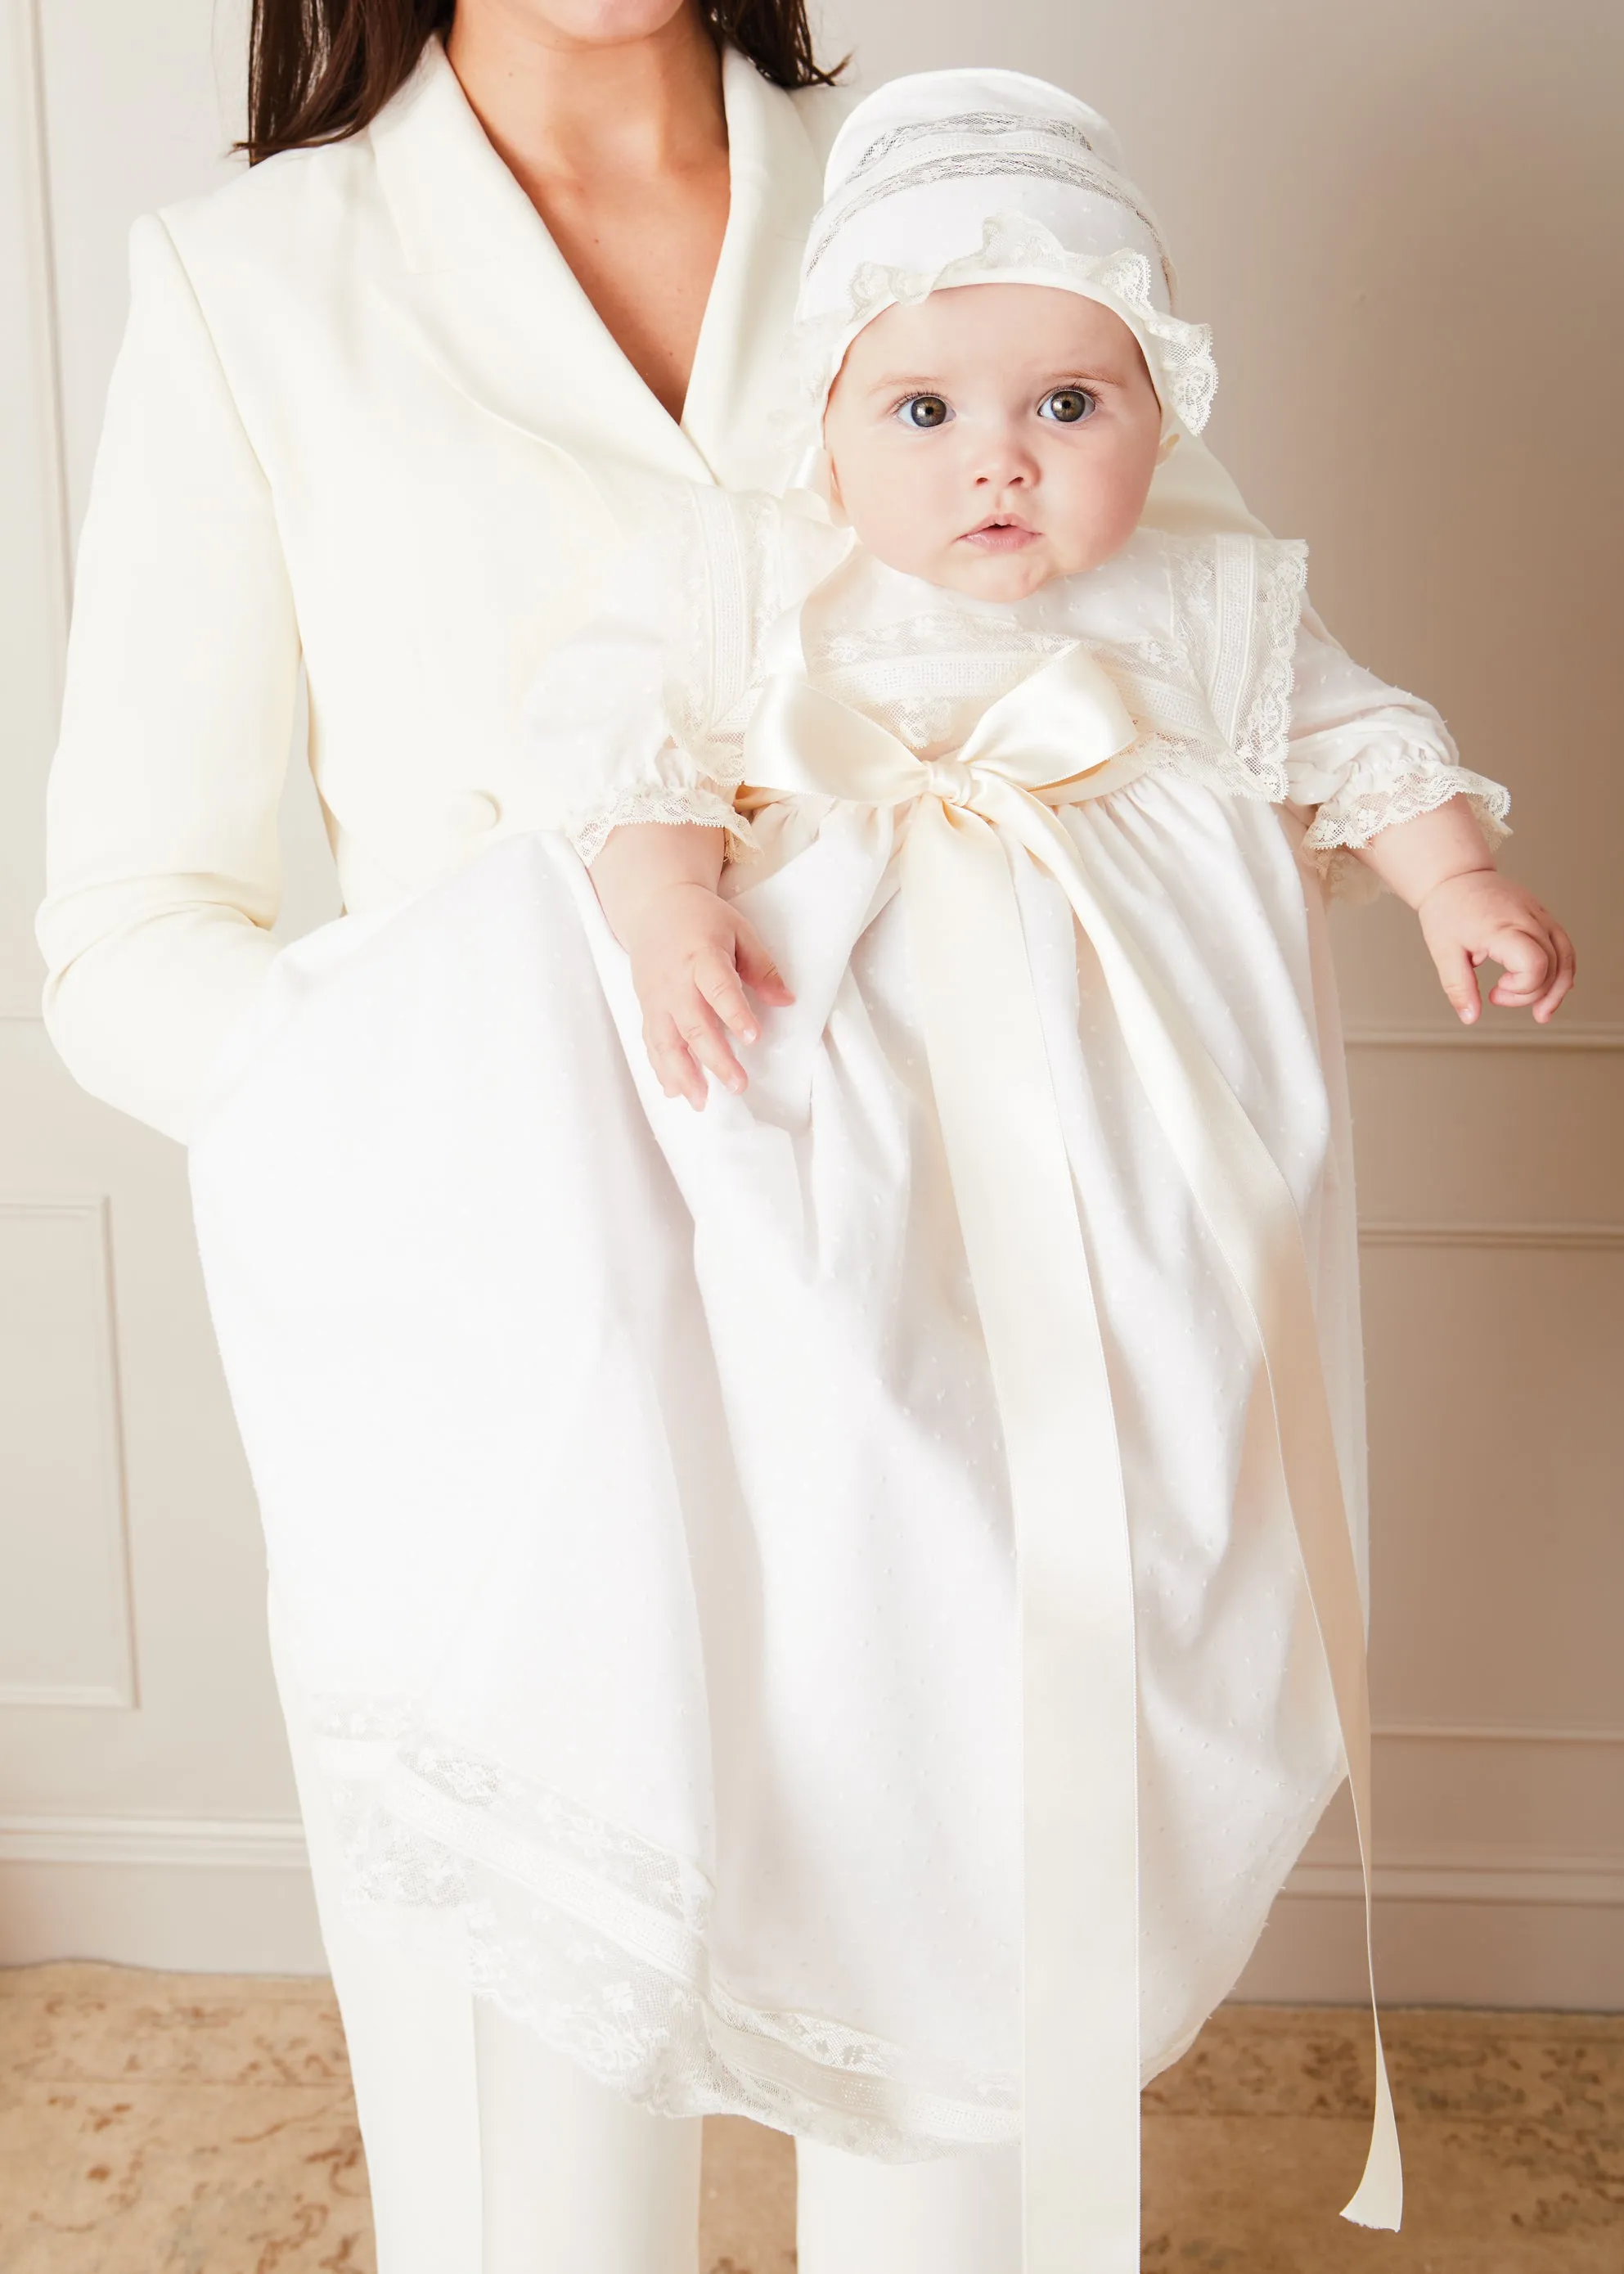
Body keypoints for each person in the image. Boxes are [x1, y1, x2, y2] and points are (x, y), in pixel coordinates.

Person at [36, 17, 1566, 2274]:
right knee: (525, 2182)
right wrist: (452, 1121)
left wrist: (1321, 883)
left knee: (968, 2119)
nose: (1000, 442)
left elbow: (1216, 675)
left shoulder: (980, 186)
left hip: (964, 1354)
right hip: (515, 1370)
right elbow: (127, 932)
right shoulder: (254, 279)